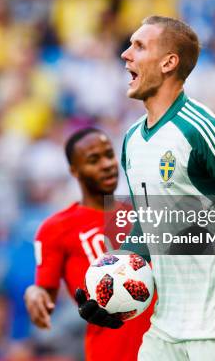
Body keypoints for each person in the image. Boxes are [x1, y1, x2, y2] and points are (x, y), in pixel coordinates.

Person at [75, 16, 215, 360]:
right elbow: (147, 227)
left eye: (139, 46)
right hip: (164, 329)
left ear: (169, 62)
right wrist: (111, 290)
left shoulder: (205, 131)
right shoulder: (132, 139)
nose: (125, 54)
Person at [24, 127, 154, 361]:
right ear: (74, 170)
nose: (107, 164)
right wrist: (33, 293)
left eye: (108, 154)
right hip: (110, 351)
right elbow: (46, 301)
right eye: (94, 159)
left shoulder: (143, 213)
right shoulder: (56, 228)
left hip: (166, 348)